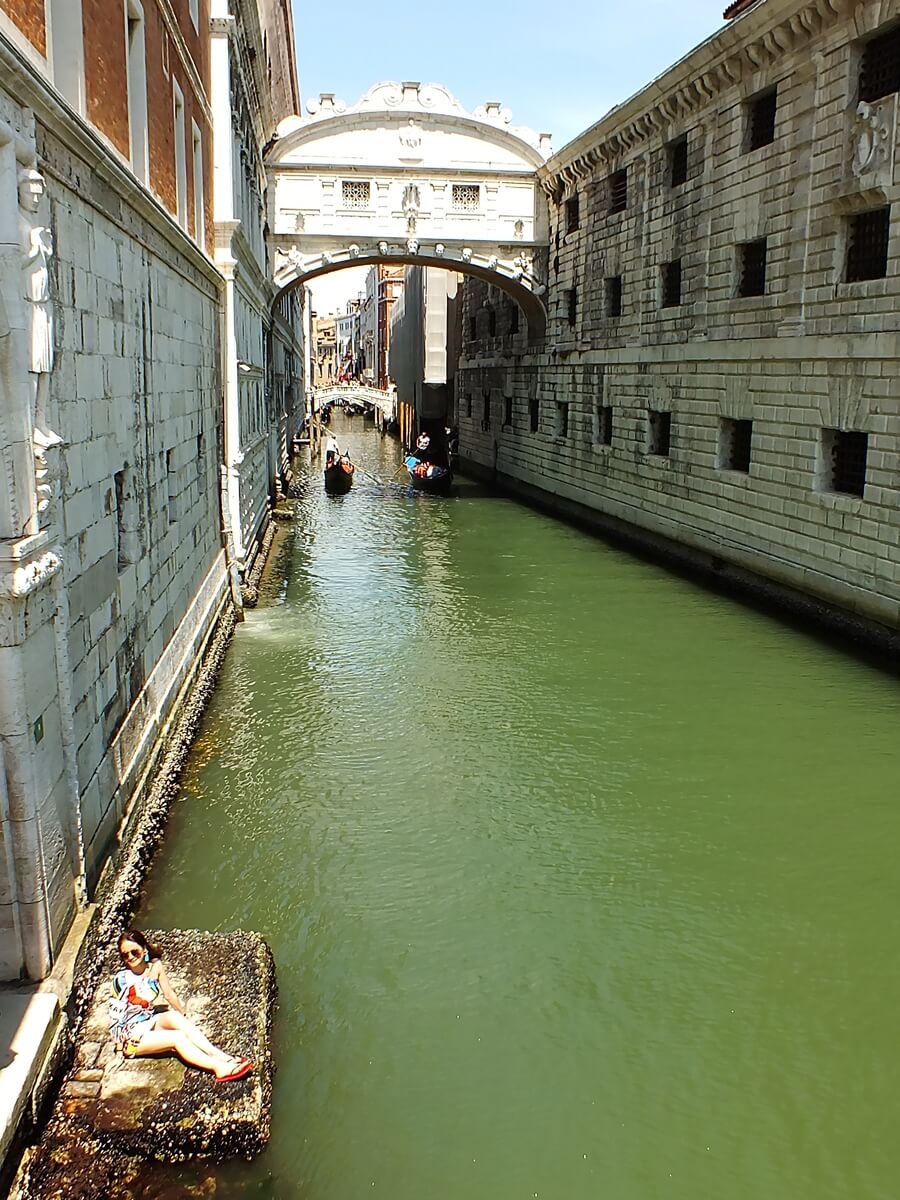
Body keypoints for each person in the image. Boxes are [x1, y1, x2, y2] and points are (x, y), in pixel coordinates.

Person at [109, 929, 252, 1082]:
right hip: (132, 1036)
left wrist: (184, 1014)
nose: (130, 957)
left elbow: (169, 993)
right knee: (177, 1038)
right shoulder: (122, 980)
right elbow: (115, 1014)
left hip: (148, 1021)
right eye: (125, 955)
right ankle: (218, 1068)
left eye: (134, 952)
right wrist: (118, 1046)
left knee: (175, 1017)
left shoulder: (155, 967)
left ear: (144, 950)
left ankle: (220, 1055)